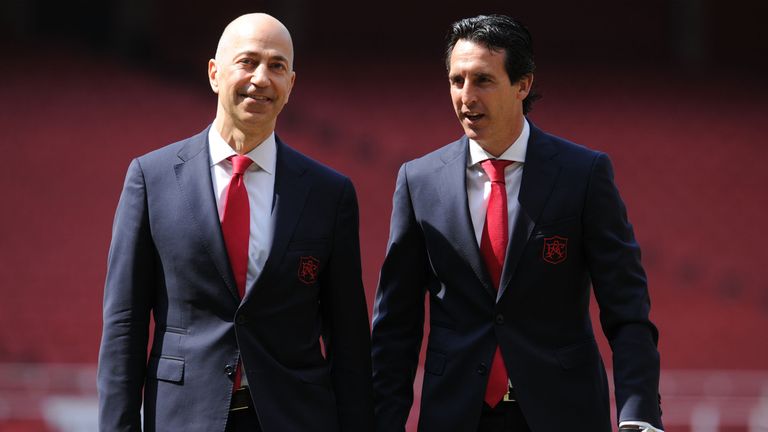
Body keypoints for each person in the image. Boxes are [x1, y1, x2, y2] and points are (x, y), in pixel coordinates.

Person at [371, 14, 662, 432]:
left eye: (483, 80)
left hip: (565, 413)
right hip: (455, 414)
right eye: (457, 81)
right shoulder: (419, 181)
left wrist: (639, 414)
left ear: (523, 84)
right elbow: (395, 326)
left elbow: (627, 308)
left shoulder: (583, 174)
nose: (466, 97)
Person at [97, 13, 374, 432]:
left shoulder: (329, 194)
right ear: (214, 73)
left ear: (291, 86)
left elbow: (348, 339)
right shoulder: (150, 179)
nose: (261, 78)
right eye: (247, 62)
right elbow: (125, 326)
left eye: (277, 66)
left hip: (295, 418)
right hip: (183, 417)